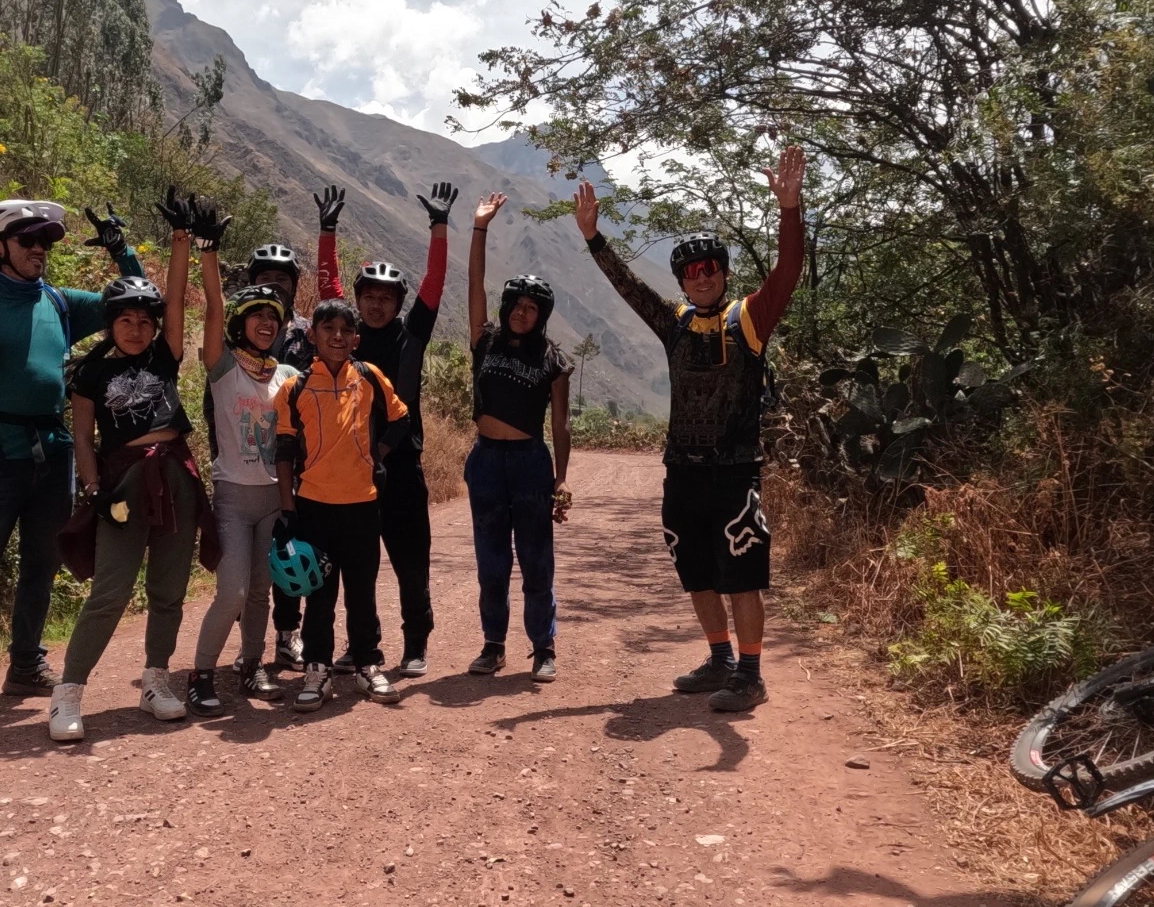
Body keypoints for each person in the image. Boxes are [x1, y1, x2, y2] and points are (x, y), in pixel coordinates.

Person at [572, 146, 806, 712]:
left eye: (710, 269)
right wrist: (592, 238)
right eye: (690, 272)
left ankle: (750, 674)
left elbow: (788, 271)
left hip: (735, 471)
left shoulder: (748, 319)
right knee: (696, 572)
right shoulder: (673, 322)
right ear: (680, 280)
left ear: (724, 274)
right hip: (682, 470)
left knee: (741, 575)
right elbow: (627, 288)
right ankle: (720, 658)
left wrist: (790, 210)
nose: (700, 278)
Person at [0, 198, 146, 728]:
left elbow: (137, 303)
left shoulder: (59, 301)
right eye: (29, 241)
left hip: (53, 451)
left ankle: (24, 665)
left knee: (42, 565)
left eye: (46, 242)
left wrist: (120, 250)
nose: (41, 250)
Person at [46, 194, 222, 741]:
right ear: (111, 323)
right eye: (125, 320)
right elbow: (81, 435)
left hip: (176, 473)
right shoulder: (89, 372)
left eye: (144, 321)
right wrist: (93, 486)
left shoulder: (163, 354)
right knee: (111, 592)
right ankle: (68, 693)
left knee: (169, 588)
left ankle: (155, 681)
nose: (137, 329)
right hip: (122, 481)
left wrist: (180, 242)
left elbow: (175, 301)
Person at [313, 180, 454, 677]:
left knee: (411, 562)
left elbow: (435, 283)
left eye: (385, 298)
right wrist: (327, 230)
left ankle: (416, 643)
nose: (375, 305)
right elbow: (327, 287)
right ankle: (360, 645)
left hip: (402, 468)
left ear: (397, 303)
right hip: (349, 474)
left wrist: (440, 226)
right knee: (358, 567)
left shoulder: (412, 335)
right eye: (368, 297)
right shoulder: (342, 337)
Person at [273, 298, 410, 712]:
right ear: (312, 334)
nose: (337, 336)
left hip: (362, 506)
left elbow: (401, 419)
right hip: (313, 507)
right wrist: (287, 510)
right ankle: (318, 669)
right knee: (318, 594)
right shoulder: (294, 387)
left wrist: (377, 456)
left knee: (362, 591)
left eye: (345, 330)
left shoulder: (368, 377)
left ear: (356, 338)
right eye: (327, 328)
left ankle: (369, 663)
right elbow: (283, 453)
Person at [463, 192, 573, 683]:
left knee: (534, 560)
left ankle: (543, 647)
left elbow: (561, 424)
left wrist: (561, 478)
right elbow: (473, 285)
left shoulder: (553, 360)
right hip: (486, 461)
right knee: (490, 562)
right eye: (517, 304)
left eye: (532, 308)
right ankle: (493, 646)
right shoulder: (483, 339)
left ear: (542, 315)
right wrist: (480, 228)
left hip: (530, 463)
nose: (522, 313)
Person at [191, 255, 299, 703]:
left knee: (259, 594)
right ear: (240, 323)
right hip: (234, 498)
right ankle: (200, 677)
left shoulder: (290, 377)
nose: (266, 323)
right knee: (232, 592)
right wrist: (208, 253)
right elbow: (213, 307)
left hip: (275, 498)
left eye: (273, 317)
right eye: (256, 314)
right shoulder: (224, 369)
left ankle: (252, 668)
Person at [244, 241, 314, 671]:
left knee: (288, 551)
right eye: (265, 279)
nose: (274, 287)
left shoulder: (307, 335)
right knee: (249, 562)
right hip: (245, 463)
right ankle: (249, 642)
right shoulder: (237, 332)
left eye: (282, 281)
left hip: (296, 463)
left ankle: (288, 636)